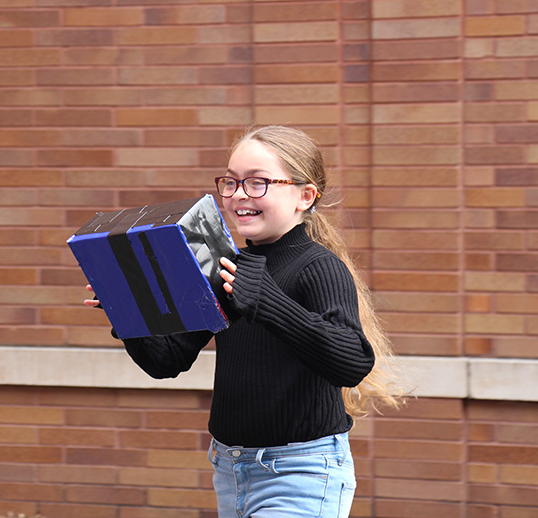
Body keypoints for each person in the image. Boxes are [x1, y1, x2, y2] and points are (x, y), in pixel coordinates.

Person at [85, 125, 403, 517]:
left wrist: (265, 301)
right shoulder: (227, 266)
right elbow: (166, 361)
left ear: (305, 196)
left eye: (257, 183)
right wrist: (126, 309)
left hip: (300, 471)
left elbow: (352, 361)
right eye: (231, 182)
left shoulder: (318, 267)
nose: (238, 195)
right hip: (230, 469)